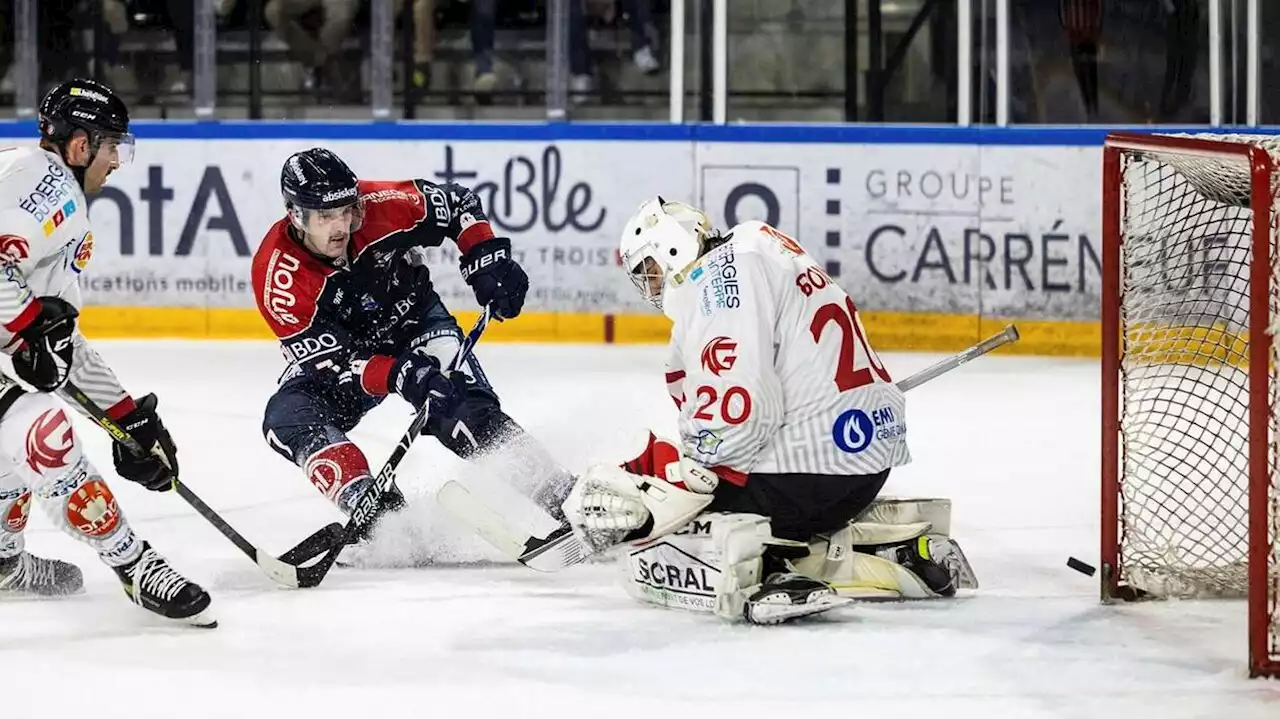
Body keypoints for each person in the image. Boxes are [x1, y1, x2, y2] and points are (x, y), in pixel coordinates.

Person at [559, 198, 976, 625]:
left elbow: (741, 406)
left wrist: (687, 479)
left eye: (649, 270)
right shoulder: (758, 243)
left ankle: (768, 570)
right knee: (773, 507)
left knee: (656, 545)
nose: (652, 286)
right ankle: (898, 554)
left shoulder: (717, 281)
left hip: (808, 473)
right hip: (865, 465)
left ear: (671, 248)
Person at [252, 147, 567, 546]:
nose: (341, 227)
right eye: (325, 216)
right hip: (351, 356)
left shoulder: (383, 206)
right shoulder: (279, 278)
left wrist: (485, 255)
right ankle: (379, 513)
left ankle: (564, 496)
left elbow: (457, 203)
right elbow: (333, 366)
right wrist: (398, 373)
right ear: (296, 215)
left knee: (460, 407)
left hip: (415, 323)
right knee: (287, 417)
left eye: (346, 211)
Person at [0, 79, 214, 627]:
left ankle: (1, 563)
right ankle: (134, 565)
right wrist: (26, 330)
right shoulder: (48, 189)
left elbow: (59, 342)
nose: (117, 160)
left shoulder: (33, 179)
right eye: (112, 145)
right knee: (41, 434)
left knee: (12, 444)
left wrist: (126, 415)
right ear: (79, 146)